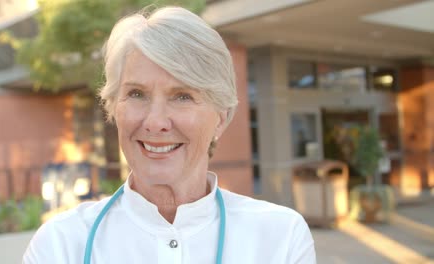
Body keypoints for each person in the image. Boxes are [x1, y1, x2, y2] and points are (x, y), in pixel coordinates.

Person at [23, 6, 315, 264]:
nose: (155, 122)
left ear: (221, 120)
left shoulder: (280, 238)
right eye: (137, 94)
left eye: (182, 96)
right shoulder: (60, 245)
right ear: (113, 108)